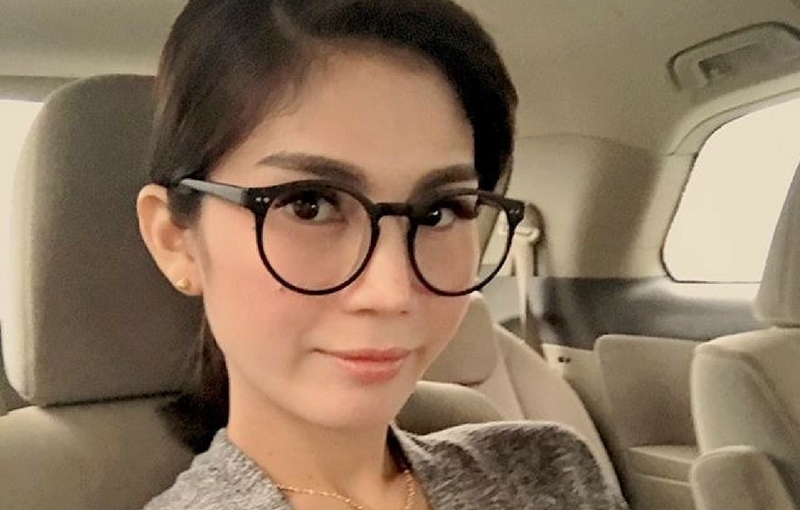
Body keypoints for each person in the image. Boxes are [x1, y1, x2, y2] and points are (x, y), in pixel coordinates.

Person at [136, 0, 628, 508]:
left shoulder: (550, 473)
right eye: (309, 205)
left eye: (438, 212)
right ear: (175, 240)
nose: (391, 293)